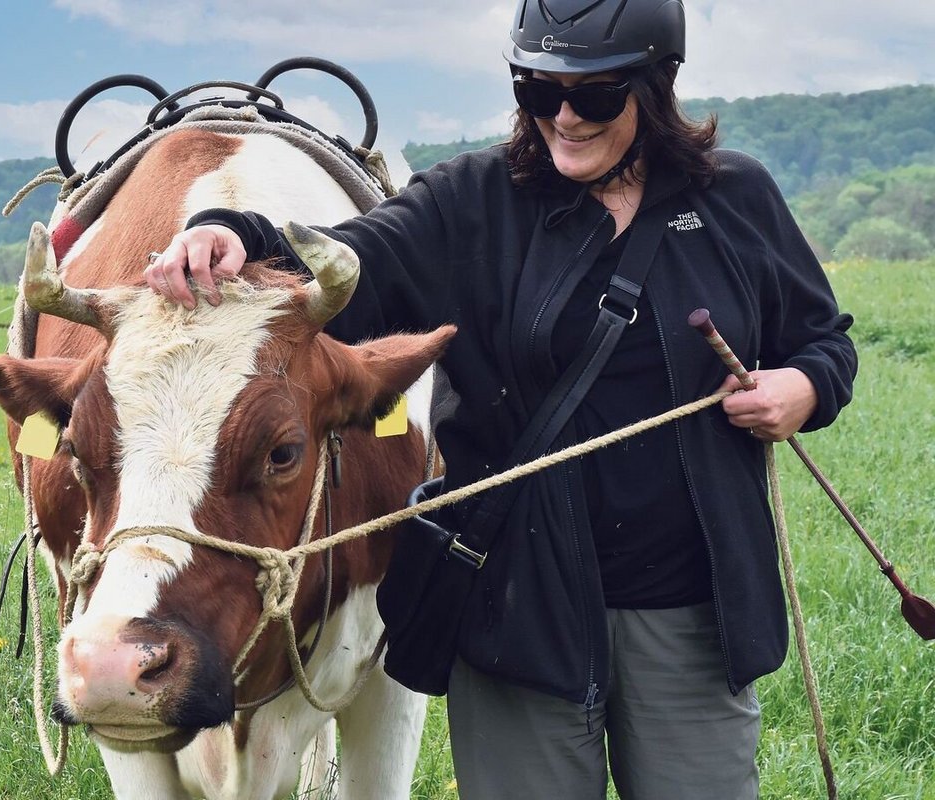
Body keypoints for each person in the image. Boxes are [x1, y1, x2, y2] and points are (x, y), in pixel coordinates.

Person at [144, 0, 857, 796]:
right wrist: (238, 233)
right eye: (536, 89)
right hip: (517, 609)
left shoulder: (735, 200)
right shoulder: (472, 200)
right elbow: (349, 261)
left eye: (593, 96)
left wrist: (804, 387)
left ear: (658, 86)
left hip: (688, 613)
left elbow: (823, 342)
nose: (563, 117)